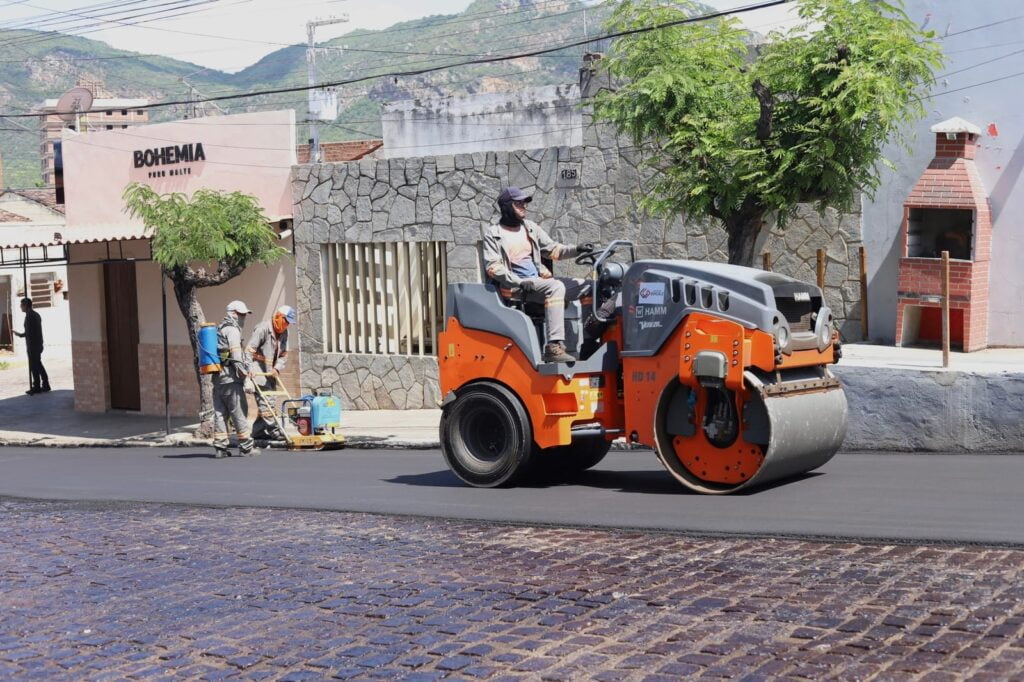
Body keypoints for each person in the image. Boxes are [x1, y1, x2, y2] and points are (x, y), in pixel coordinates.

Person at [482, 187, 594, 363]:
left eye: (524, 203)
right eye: (518, 203)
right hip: (515, 288)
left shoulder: (530, 228)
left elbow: (554, 251)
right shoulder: (494, 233)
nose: (523, 206)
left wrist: (577, 249)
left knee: (590, 287)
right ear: (506, 206)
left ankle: (589, 342)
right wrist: (519, 282)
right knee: (556, 286)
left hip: (538, 283)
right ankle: (553, 347)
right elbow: (493, 267)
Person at [213, 300, 257, 459]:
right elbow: (237, 356)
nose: (243, 317)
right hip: (231, 379)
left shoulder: (220, 329)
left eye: (244, 314)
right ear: (232, 313)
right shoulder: (232, 330)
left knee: (220, 413)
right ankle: (246, 447)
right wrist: (245, 377)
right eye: (241, 314)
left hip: (218, 378)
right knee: (238, 411)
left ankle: (220, 448)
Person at [246, 304, 296, 441]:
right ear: (279, 317)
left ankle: (257, 432)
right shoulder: (263, 329)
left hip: (271, 374)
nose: (287, 326)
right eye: (286, 322)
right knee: (266, 403)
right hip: (258, 372)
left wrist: (277, 368)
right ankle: (275, 431)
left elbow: (284, 354)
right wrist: (249, 370)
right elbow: (249, 350)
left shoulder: (284, 332)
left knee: (269, 402)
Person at [14, 298, 49, 395]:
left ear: (26, 305)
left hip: (33, 345)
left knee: (35, 366)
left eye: (21, 305)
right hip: (35, 344)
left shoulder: (30, 316)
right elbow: (30, 332)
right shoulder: (33, 315)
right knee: (37, 365)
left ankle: (39, 385)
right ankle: (42, 385)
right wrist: (21, 335)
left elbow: (32, 333)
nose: (20, 307)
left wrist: (27, 340)